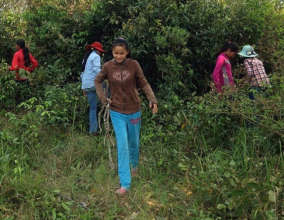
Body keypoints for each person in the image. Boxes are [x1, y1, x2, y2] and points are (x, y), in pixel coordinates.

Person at [95, 38, 158, 195]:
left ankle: (134, 166)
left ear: (127, 53)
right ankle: (125, 183)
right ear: (112, 53)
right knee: (122, 145)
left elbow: (143, 83)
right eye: (116, 53)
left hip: (134, 110)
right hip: (117, 111)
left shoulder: (134, 65)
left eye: (121, 53)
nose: (118, 56)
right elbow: (97, 81)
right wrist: (103, 98)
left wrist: (152, 100)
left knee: (134, 142)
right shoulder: (108, 66)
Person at [81, 41, 105, 135]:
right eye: (100, 51)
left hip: (86, 85)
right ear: (97, 50)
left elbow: (82, 73)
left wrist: (83, 87)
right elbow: (97, 70)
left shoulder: (86, 57)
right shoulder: (96, 56)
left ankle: (93, 131)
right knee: (111, 90)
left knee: (93, 108)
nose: (101, 53)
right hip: (93, 84)